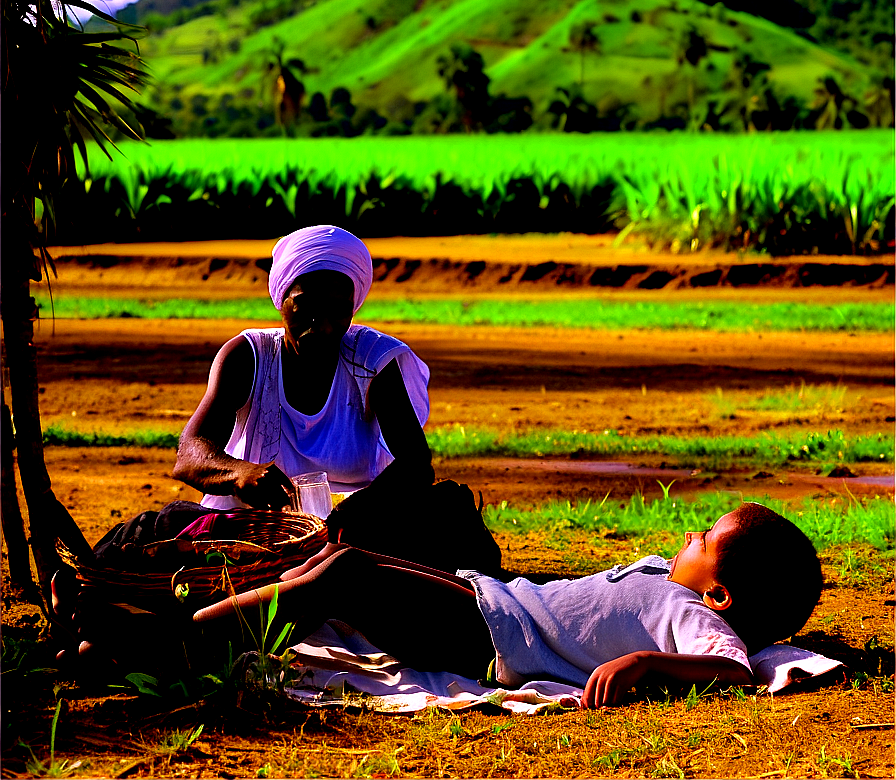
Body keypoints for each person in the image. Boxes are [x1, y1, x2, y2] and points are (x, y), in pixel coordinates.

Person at [193, 502, 823, 707]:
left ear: (718, 594)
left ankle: (179, 645)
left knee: (346, 575)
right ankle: (195, 622)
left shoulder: (693, 615)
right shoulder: (668, 576)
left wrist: (647, 664)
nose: (690, 534)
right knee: (335, 559)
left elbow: (734, 667)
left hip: (488, 637)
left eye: (705, 538)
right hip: (484, 599)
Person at [172, 224, 433, 515]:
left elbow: (416, 465)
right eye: (304, 305)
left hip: (355, 527)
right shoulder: (248, 357)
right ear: (281, 299)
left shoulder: (372, 361)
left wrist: (347, 517)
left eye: (338, 311)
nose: (322, 326)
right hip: (256, 526)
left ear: (353, 307)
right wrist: (239, 474)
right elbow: (190, 455)